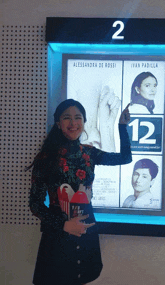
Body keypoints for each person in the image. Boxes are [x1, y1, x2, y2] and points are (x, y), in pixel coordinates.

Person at [27, 99, 132, 285]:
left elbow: (125, 158)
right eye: (67, 118)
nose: (73, 123)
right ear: (58, 123)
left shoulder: (89, 153)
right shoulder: (46, 157)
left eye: (78, 118)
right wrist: (64, 224)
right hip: (57, 233)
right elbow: (35, 204)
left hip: (86, 230)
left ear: (83, 122)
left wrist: (122, 126)